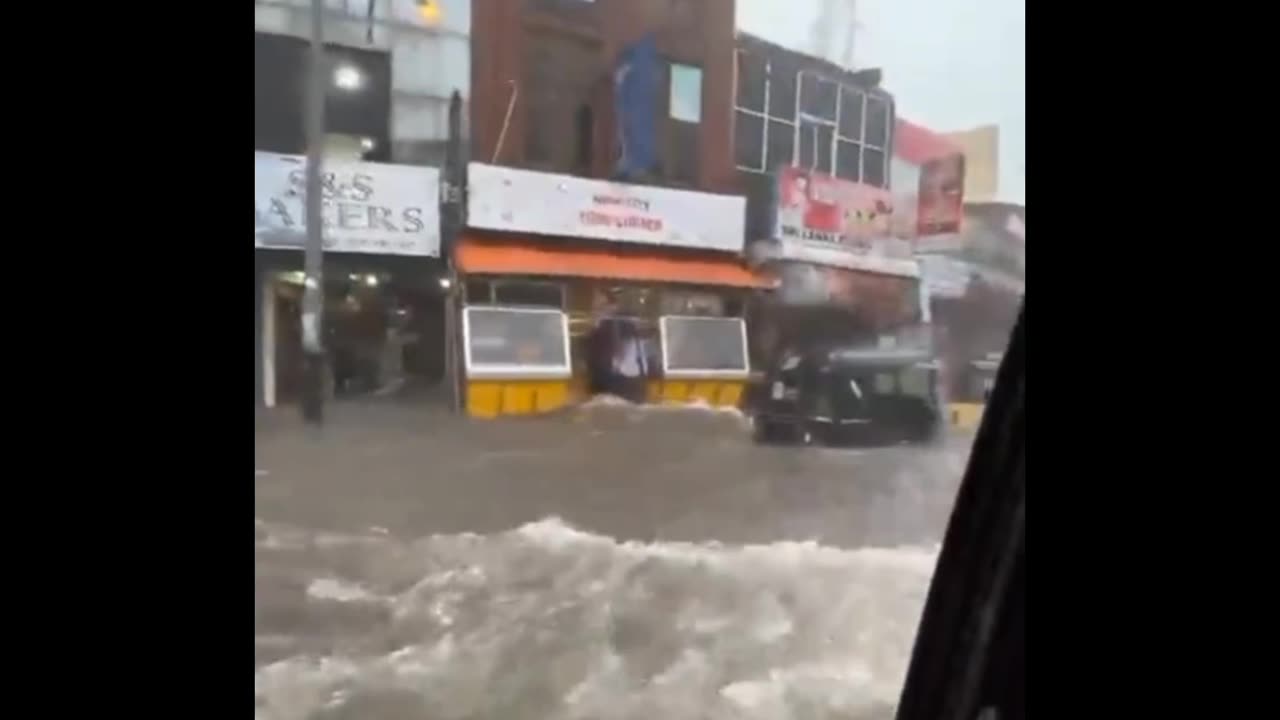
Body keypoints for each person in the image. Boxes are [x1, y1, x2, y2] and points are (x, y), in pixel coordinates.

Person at [611, 321, 648, 403]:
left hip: (625, 376)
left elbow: (616, 362)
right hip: (638, 376)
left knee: (626, 402)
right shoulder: (640, 343)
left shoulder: (621, 344)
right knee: (639, 402)